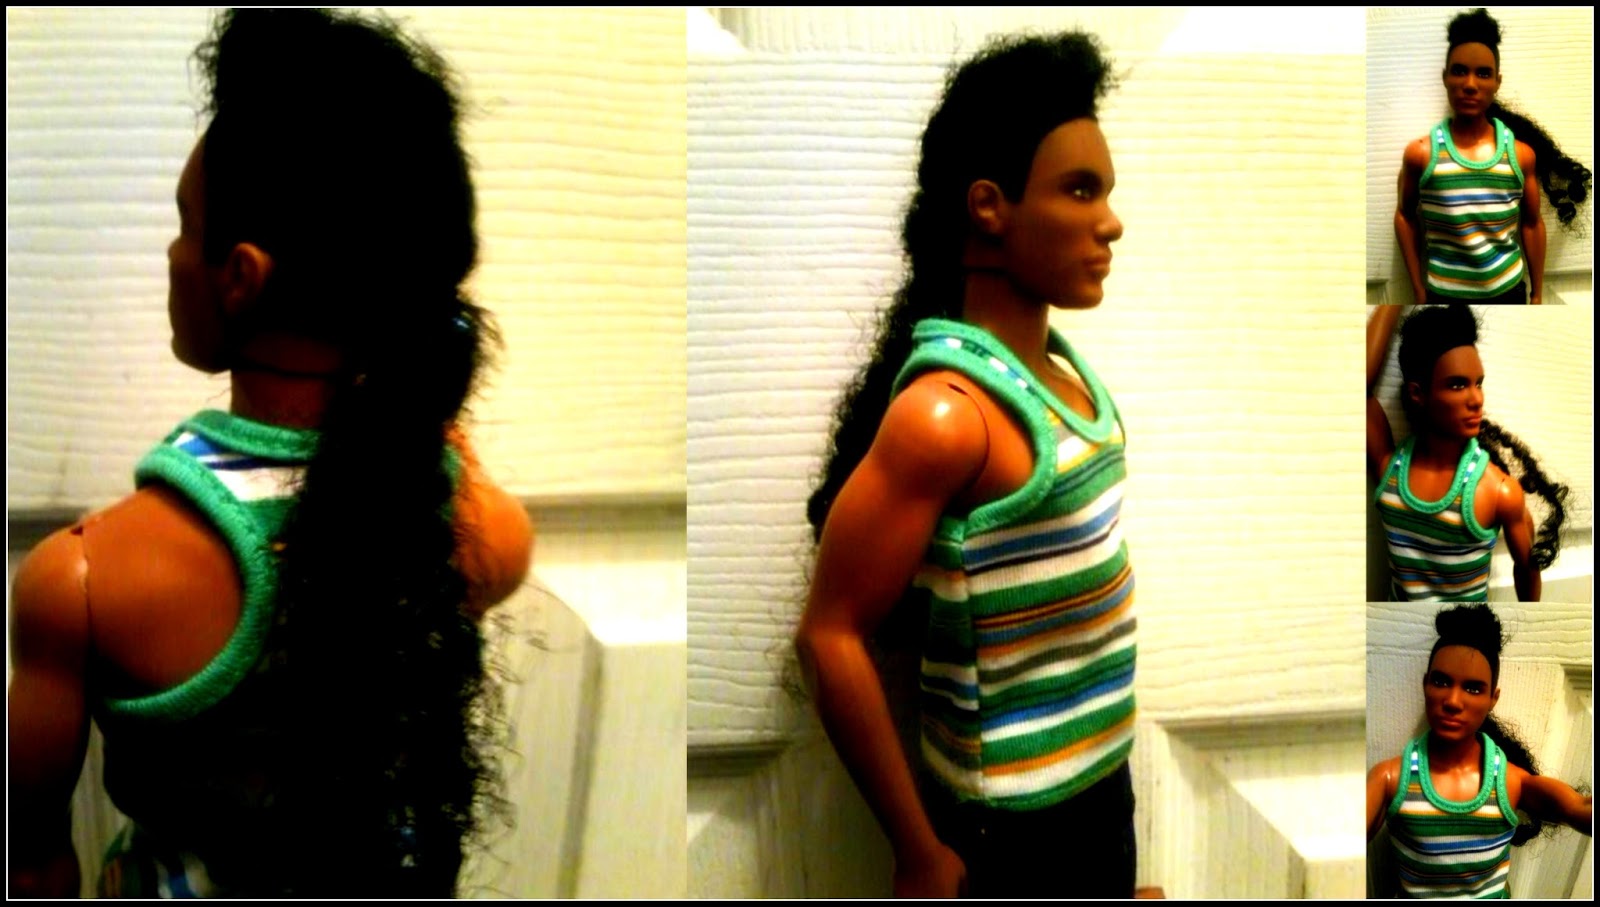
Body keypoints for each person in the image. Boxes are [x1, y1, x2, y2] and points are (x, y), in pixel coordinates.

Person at [7, 9, 532, 897]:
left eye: (185, 225)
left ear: (240, 276)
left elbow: (29, 860)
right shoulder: (475, 531)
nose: (173, 253)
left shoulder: (85, 580)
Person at [794, 32, 1135, 898]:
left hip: (1103, 782)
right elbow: (829, 632)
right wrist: (916, 848)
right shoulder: (947, 416)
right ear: (989, 206)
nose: (1110, 221)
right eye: (1079, 189)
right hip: (1011, 828)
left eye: (1105, 192)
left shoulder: (1062, 377)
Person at [1365, 604, 1592, 898]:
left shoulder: (1508, 783)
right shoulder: (1391, 779)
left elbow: (1578, 808)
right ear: (1425, 685)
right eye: (1441, 681)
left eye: (1473, 688)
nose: (1453, 701)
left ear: (1492, 699)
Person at [1366, 303, 1567, 602]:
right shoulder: (1390, 469)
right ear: (1417, 393)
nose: (1476, 399)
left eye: (1478, 384)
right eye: (1457, 385)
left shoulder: (1499, 492)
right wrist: (1393, 302)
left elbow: (1527, 571)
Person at [1393, 8, 1593, 306]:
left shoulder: (1519, 156)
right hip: (1443, 295)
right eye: (1459, 71)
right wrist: (1419, 291)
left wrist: (1537, 293)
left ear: (1497, 82)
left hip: (1509, 291)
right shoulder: (1422, 155)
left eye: (1483, 73)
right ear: (1445, 77)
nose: (1470, 84)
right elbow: (1405, 216)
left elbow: (1532, 224)